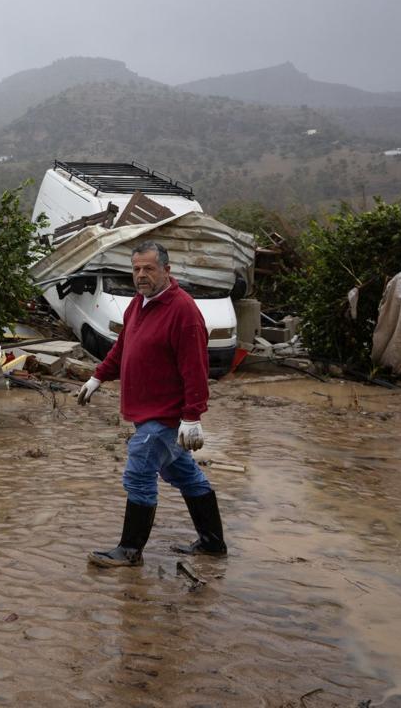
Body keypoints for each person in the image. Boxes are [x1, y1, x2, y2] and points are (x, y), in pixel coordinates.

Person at [76, 240, 228, 567]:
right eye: (136, 269)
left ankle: (130, 551)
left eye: (149, 269)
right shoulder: (138, 303)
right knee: (185, 475)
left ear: (166, 270)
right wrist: (98, 377)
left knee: (139, 471)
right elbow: (122, 348)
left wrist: (192, 416)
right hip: (146, 413)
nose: (141, 275)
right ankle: (213, 544)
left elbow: (196, 369)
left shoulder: (183, 311)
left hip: (167, 416)